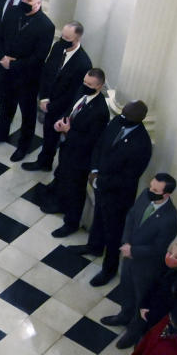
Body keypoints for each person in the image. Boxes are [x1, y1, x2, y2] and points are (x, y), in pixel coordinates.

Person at [72, 100, 153, 287]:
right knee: (98, 219)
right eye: (122, 114)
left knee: (113, 233)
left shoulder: (142, 144)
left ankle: (109, 269)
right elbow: (100, 145)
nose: (122, 118)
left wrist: (100, 181)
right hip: (100, 182)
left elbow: (129, 176)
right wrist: (93, 170)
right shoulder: (117, 122)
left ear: (139, 120)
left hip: (118, 196)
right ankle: (94, 246)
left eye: (126, 116)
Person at [101, 174, 177, 348]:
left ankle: (133, 332)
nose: (150, 191)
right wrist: (126, 242)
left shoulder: (170, 218)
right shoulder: (145, 195)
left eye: (155, 190)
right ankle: (124, 315)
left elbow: (159, 248)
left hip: (146, 266)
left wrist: (133, 251)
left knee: (141, 299)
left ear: (166, 195)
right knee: (126, 287)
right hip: (130, 256)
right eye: (151, 186)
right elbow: (131, 216)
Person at [0, 0, 55, 161]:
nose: (24, 2)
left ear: (38, 3)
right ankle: (0, 133)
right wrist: (2, 57)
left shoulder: (46, 26)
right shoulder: (14, 12)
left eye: (28, 0)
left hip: (27, 77)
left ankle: (23, 146)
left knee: (27, 114)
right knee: (5, 105)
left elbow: (39, 57)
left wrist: (13, 64)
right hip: (6, 70)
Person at [37, 68, 109, 238]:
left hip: (81, 156)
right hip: (67, 147)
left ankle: (72, 222)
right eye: (85, 82)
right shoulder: (81, 92)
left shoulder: (100, 111)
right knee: (63, 177)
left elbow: (91, 140)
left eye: (90, 84)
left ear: (99, 86)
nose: (85, 86)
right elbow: (71, 110)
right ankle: (61, 203)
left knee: (76, 189)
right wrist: (61, 122)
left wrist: (69, 132)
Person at [23, 22, 91, 171]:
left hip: (62, 107)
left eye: (67, 38)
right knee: (47, 133)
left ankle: (45, 162)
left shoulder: (83, 63)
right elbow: (47, 72)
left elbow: (73, 93)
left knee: (52, 137)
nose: (63, 40)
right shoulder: (58, 47)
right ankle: (44, 160)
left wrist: (52, 106)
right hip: (48, 99)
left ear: (77, 38)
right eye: (63, 36)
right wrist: (44, 97)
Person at [133, 238, 177, 354]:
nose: (171, 257)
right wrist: (143, 305)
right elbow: (152, 285)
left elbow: (173, 305)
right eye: (170, 253)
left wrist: (150, 314)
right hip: (150, 309)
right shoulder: (166, 266)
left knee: (150, 340)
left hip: (160, 317)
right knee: (143, 335)